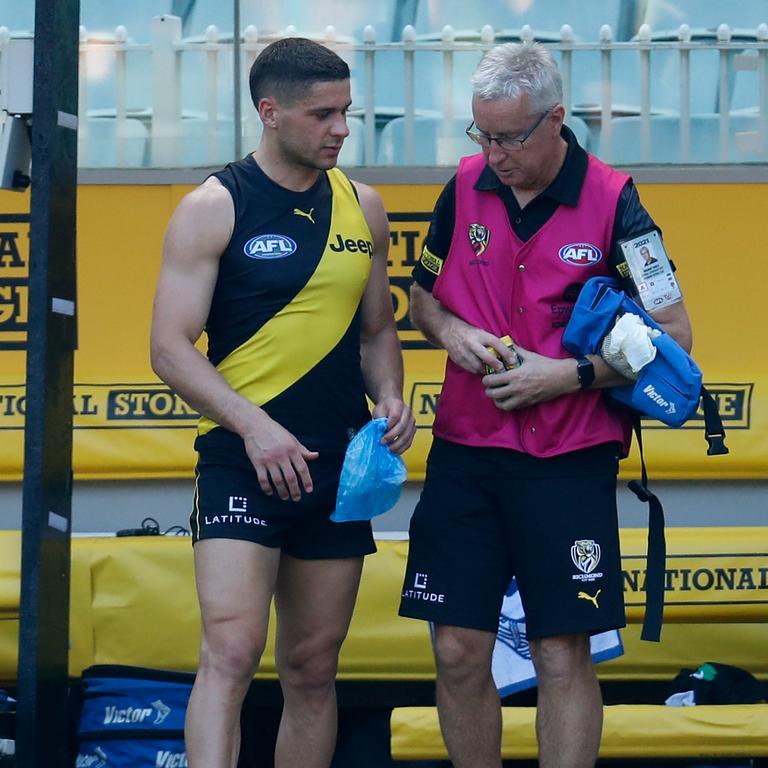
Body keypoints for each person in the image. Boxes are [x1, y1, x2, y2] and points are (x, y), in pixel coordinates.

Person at [398, 42, 692, 768]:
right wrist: (454, 331)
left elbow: (675, 336)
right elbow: (422, 300)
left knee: (561, 651)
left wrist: (566, 375)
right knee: (458, 649)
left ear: (556, 120)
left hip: (568, 459)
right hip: (466, 453)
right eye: (482, 135)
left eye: (509, 137)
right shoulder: (463, 185)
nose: (493, 153)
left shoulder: (617, 201)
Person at [150, 37, 415, 768]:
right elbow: (169, 348)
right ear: (270, 113)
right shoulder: (212, 206)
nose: (340, 129)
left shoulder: (363, 205)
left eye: (346, 114)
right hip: (243, 459)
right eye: (322, 114)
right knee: (231, 652)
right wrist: (255, 427)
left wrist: (392, 395)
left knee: (312, 668)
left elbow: (377, 329)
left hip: (336, 466)